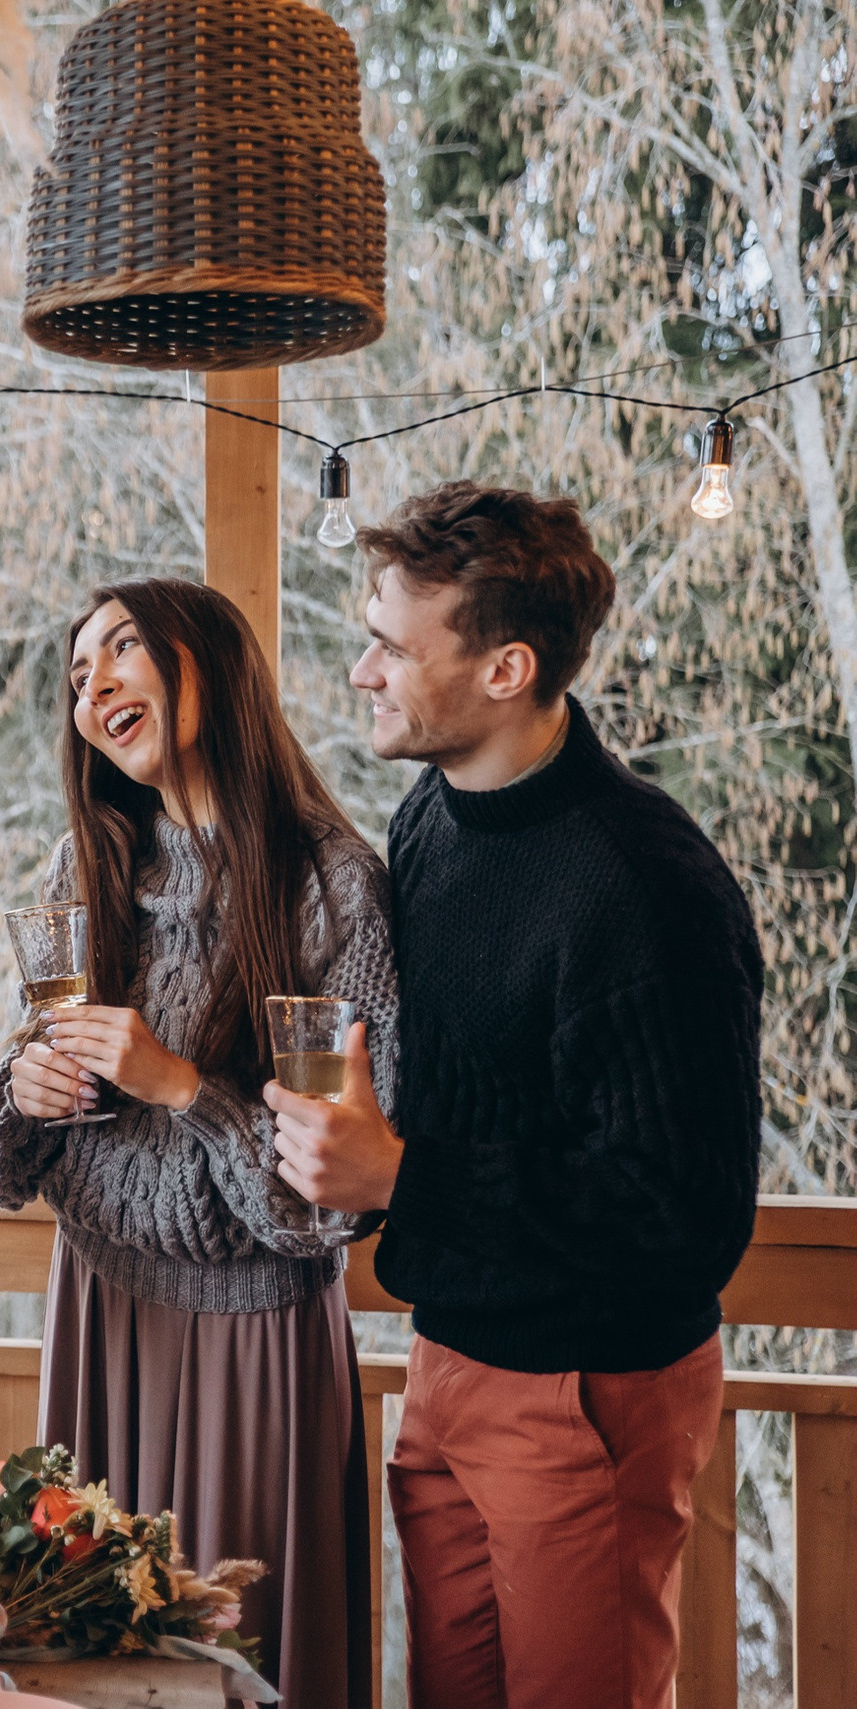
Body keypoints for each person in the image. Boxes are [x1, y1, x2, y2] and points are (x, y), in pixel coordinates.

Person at [277, 483, 761, 1709]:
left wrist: (403, 1175)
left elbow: (686, 1216)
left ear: (505, 667)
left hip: (585, 1394)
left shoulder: (648, 888)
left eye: (392, 645)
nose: (361, 671)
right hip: (444, 1364)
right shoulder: (430, 818)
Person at [0, 578, 393, 1708]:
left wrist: (181, 1085)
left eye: (121, 650)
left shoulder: (333, 885)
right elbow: (24, 1127)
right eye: (76, 676)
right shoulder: (92, 869)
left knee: (233, 1655)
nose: (94, 685)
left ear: (209, 661)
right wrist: (28, 1083)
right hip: (97, 1309)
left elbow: (325, 1199)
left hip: (253, 1332)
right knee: (81, 1648)